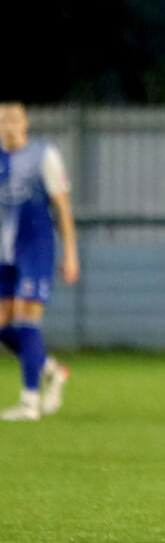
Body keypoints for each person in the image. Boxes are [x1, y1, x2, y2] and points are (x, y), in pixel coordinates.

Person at [0, 102, 76, 421]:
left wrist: (71, 252)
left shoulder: (43, 156)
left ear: (25, 123)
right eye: (3, 120)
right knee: (4, 326)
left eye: (14, 120)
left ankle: (30, 402)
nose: (8, 126)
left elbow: (62, 206)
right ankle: (50, 369)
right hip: (4, 254)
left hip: (35, 252)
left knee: (27, 321)